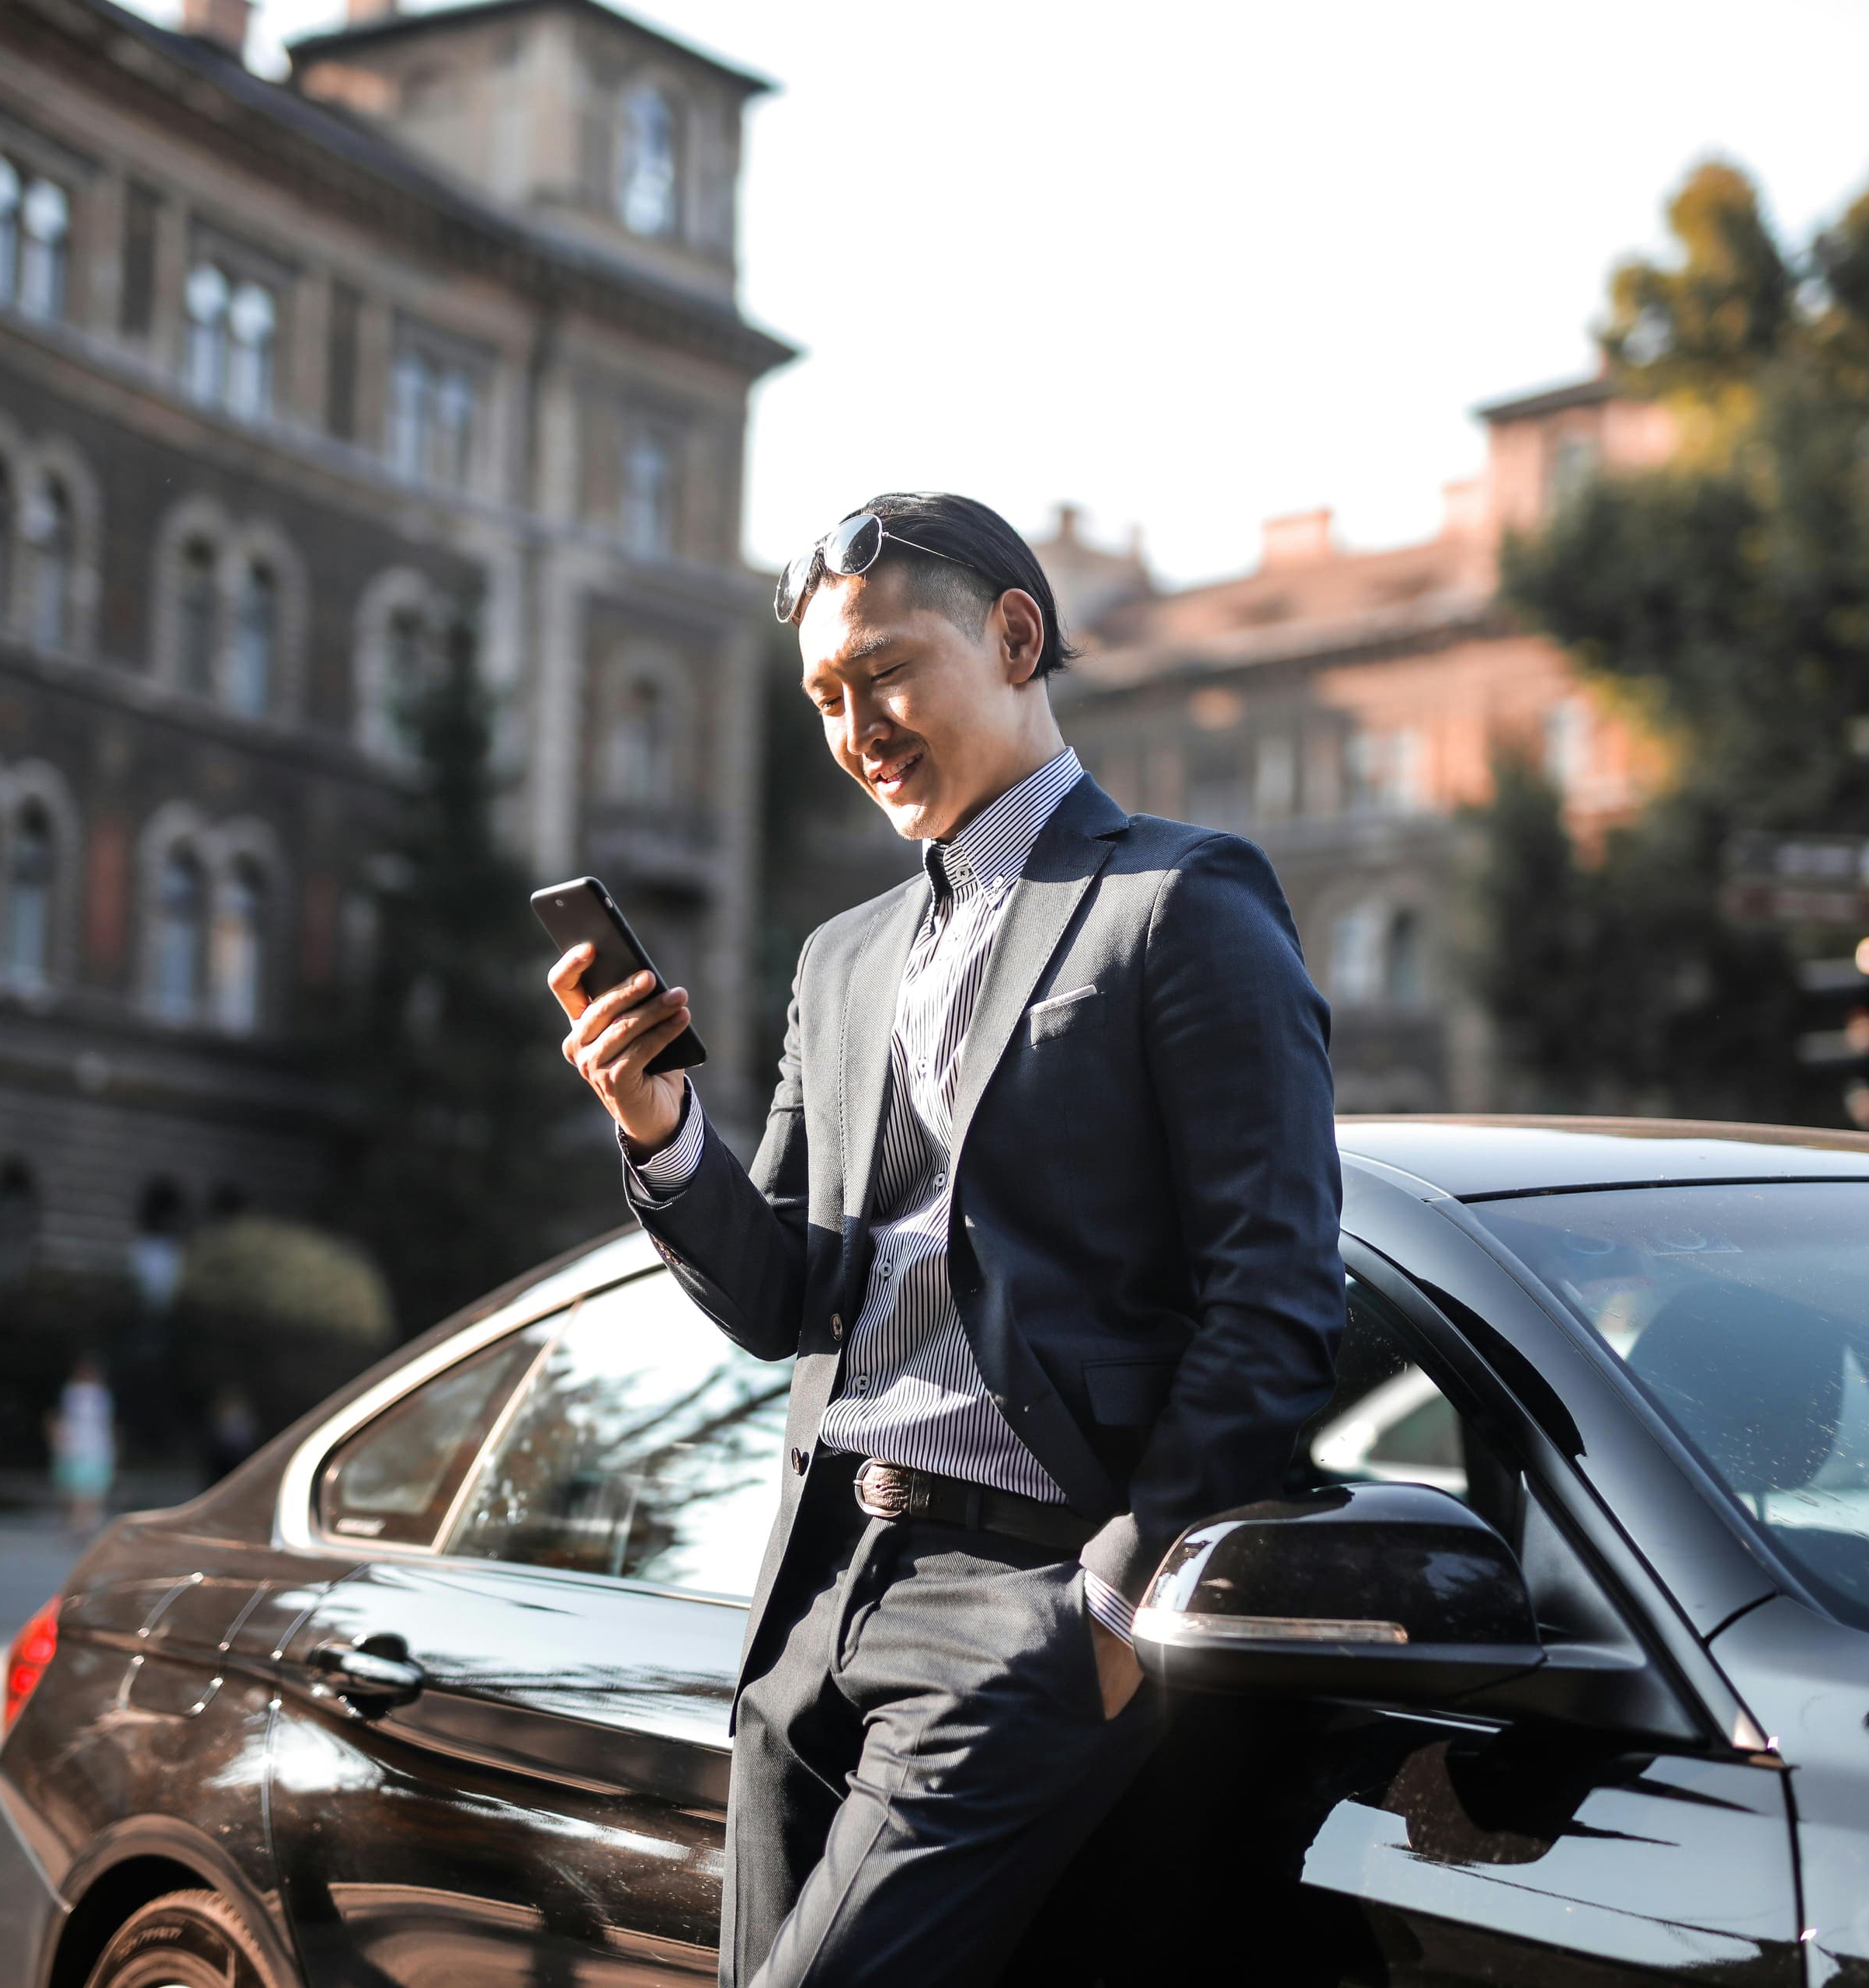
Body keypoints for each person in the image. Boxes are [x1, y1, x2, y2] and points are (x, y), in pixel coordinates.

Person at [550, 492, 1343, 1988]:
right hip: (822, 1577)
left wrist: (1116, 1599)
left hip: (1024, 1598)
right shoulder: (839, 961)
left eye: (886, 673)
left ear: (1017, 635)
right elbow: (787, 1289)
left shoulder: (1181, 903)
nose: (859, 730)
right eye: (825, 700)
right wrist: (660, 1129)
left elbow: (1278, 1293)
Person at [50, 1356, 116, 1538]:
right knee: (77, 1487)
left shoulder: (101, 1394)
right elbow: (61, 1418)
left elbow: (106, 1422)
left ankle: (88, 1521)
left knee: (94, 1486)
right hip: (76, 1446)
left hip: (96, 1445)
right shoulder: (71, 1392)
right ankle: (79, 1522)